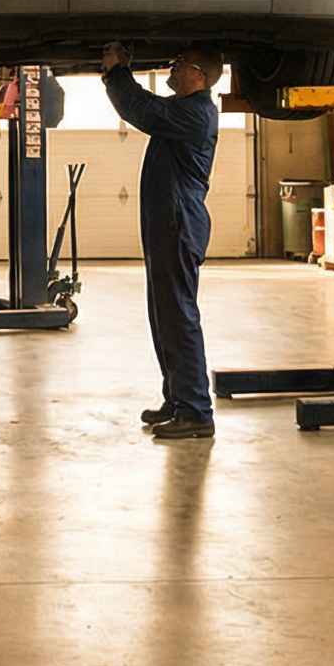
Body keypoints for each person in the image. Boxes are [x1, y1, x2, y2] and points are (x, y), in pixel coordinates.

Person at [101, 44, 223, 439]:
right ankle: (177, 397)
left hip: (178, 222)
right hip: (168, 222)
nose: (172, 68)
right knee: (164, 313)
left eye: (179, 64)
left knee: (178, 315)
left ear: (198, 75)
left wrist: (117, 72)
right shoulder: (186, 111)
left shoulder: (195, 113)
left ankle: (196, 411)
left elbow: (143, 110)